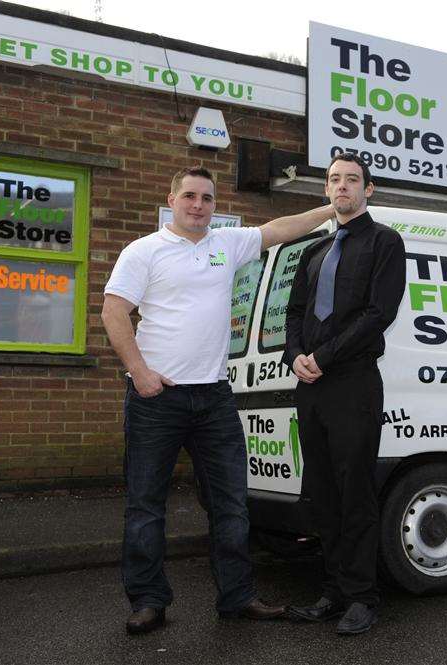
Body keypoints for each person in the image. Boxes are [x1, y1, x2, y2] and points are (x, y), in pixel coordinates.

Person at [102, 166, 334, 635]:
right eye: (189, 196)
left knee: (231, 504)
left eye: (207, 198)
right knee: (146, 506)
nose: (198, 205)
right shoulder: (143, 251)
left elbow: (277, 229)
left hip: (213, 399)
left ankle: (237, 596)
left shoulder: (225, 245)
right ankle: (148, 600)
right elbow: (113, 311)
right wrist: (141, 374)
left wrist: (333, 208)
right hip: (156, 399)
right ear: (172, 199)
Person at [282, 154, 406, 636]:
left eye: (352, 180)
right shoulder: (314, 251)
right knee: (322, 492)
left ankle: (362, 597)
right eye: (335, 180)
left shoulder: (384, 243)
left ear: (368, 190)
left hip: (352, 382)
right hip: (309, 384)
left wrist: (325, 357)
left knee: (355, 490)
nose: (342, 187)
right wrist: (295, 356)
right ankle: (333, 590)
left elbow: (379, 313)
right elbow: (294, 311)